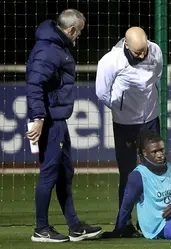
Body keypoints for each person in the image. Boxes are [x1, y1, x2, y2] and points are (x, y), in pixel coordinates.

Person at [26, 9, 102, 242]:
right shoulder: (49, 51)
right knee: (49, 174)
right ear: (71, 30)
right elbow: (34, 85)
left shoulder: (55, 47)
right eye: (78, 32)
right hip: (50, 122)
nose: (78, 36)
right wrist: (39, 118)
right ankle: (41, 229)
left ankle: (75, 226)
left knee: (65, 173)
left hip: (57, 119)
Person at [95, 26, 163, 236]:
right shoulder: (110, 61)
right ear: (125, 44)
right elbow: (102, 92)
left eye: (144, 50)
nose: (142, 55)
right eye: (137, 52)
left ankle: (152, 222)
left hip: (151, 119)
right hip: (125, 124)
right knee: (128, 174)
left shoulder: (155, 51)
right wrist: (121, 109)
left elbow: (157, 77)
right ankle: (123, 224)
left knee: (156, 171)